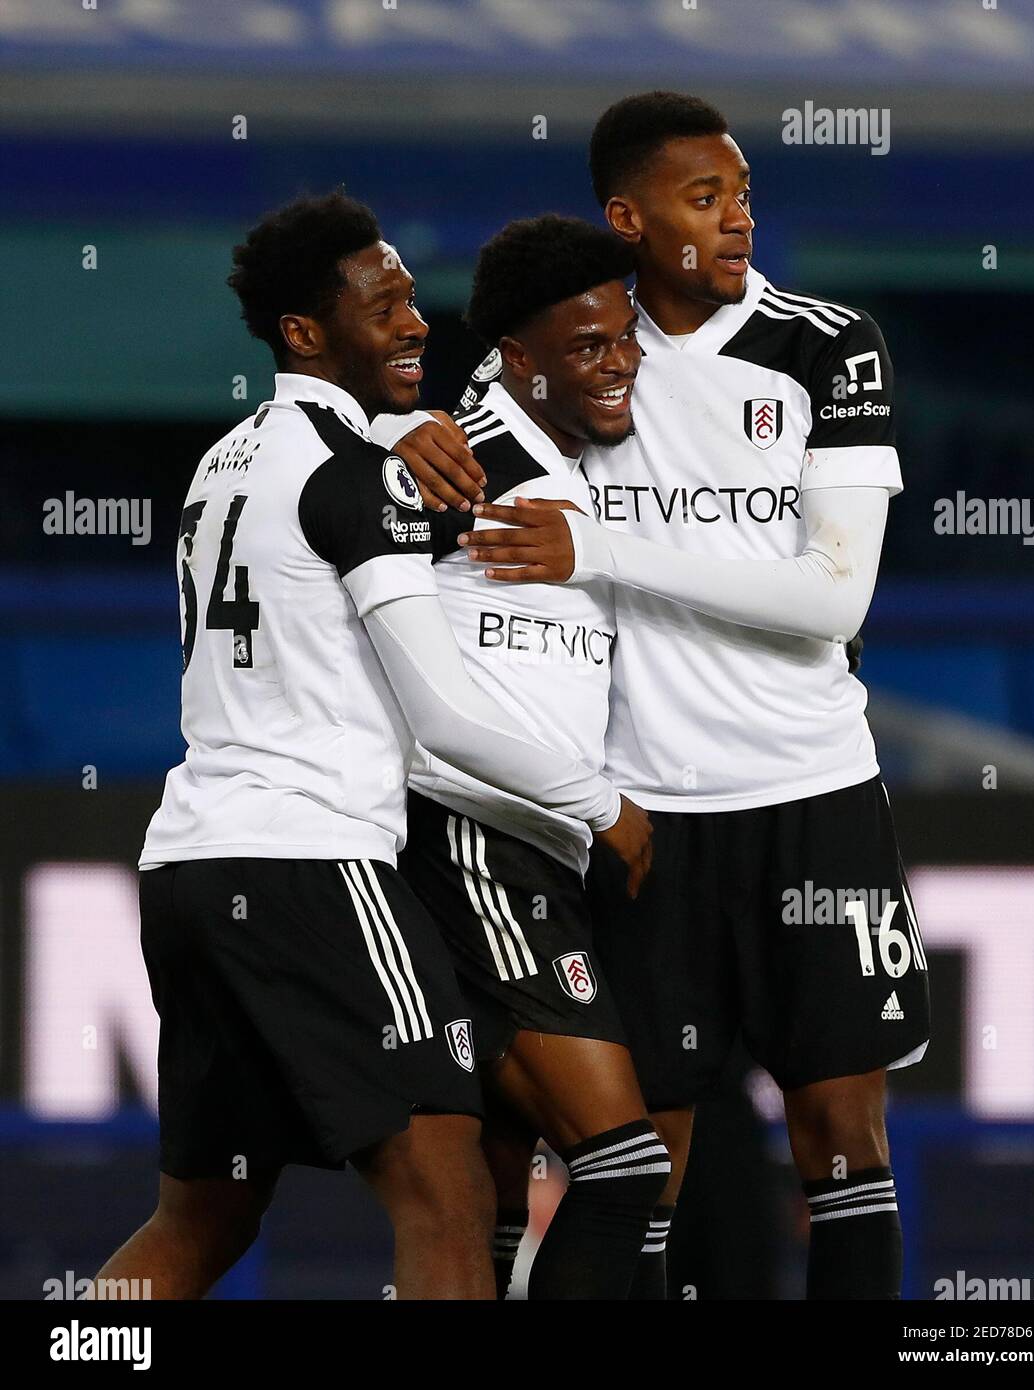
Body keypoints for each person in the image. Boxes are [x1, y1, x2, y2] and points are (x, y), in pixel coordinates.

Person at [94, 192, 649, 1301]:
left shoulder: (219, 465)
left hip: (189, 863)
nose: (414, 324)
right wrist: (602, 805)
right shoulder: (362, 474)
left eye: (409, 298)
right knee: (444, 1189)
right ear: (306, 333)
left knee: (198, 1219)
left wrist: (396, 430)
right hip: (314, 861)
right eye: (383, 304)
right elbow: (440, 715)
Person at [451, 92, 932, 1300]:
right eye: (704, 200)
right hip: (646, 818)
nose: (738, 224)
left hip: (815, 795)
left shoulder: (828, 345)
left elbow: (832, 600)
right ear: (629, 216)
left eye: (747, 197)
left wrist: (599, 550)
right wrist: (402, 445)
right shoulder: (579, 353)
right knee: (640, 1170)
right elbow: (438, 453)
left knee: (843, 1141)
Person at [398, 214, 669, 1300]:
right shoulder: (459, 462)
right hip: (477, 843)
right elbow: (325, 563)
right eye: (590, 346)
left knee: (504, 1183)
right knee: (622, 1163)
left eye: (628, 340)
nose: (621, 366)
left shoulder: (577, 463)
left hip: (533, 856)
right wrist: (388, 440)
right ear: (519, 358)